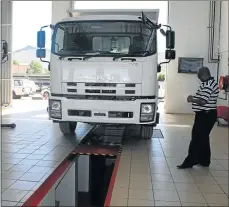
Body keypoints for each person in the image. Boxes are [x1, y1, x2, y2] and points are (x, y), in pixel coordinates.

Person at [177, 66, 219, 169]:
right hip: (206, 114)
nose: (198, 77)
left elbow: (203, 101)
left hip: (205, 115)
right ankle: (205, 161)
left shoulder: (209, 85)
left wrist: (192, 99)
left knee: (196, 138)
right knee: (203, 138)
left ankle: (190, 161)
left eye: (198, 75)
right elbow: (203, 98)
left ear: (203, 74)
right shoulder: (209, 83)